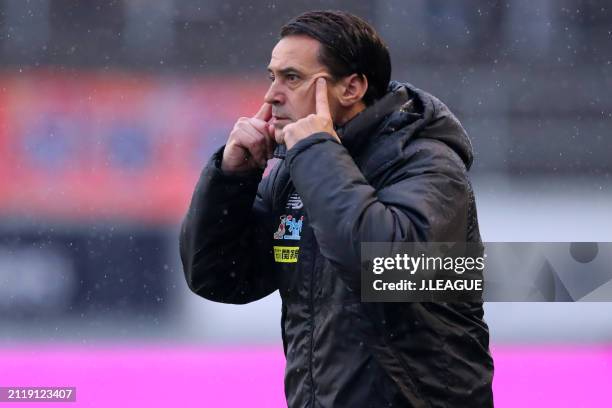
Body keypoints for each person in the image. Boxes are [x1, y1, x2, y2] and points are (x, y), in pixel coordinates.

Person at [180, 10, 494, 407]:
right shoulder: (296, 169)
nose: (271, 95)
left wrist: (317, 153)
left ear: (353, 88)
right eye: (271, 77)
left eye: (291, 78)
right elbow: (220, 277)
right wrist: (230, 179)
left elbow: (385, 273)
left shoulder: (428, 164)